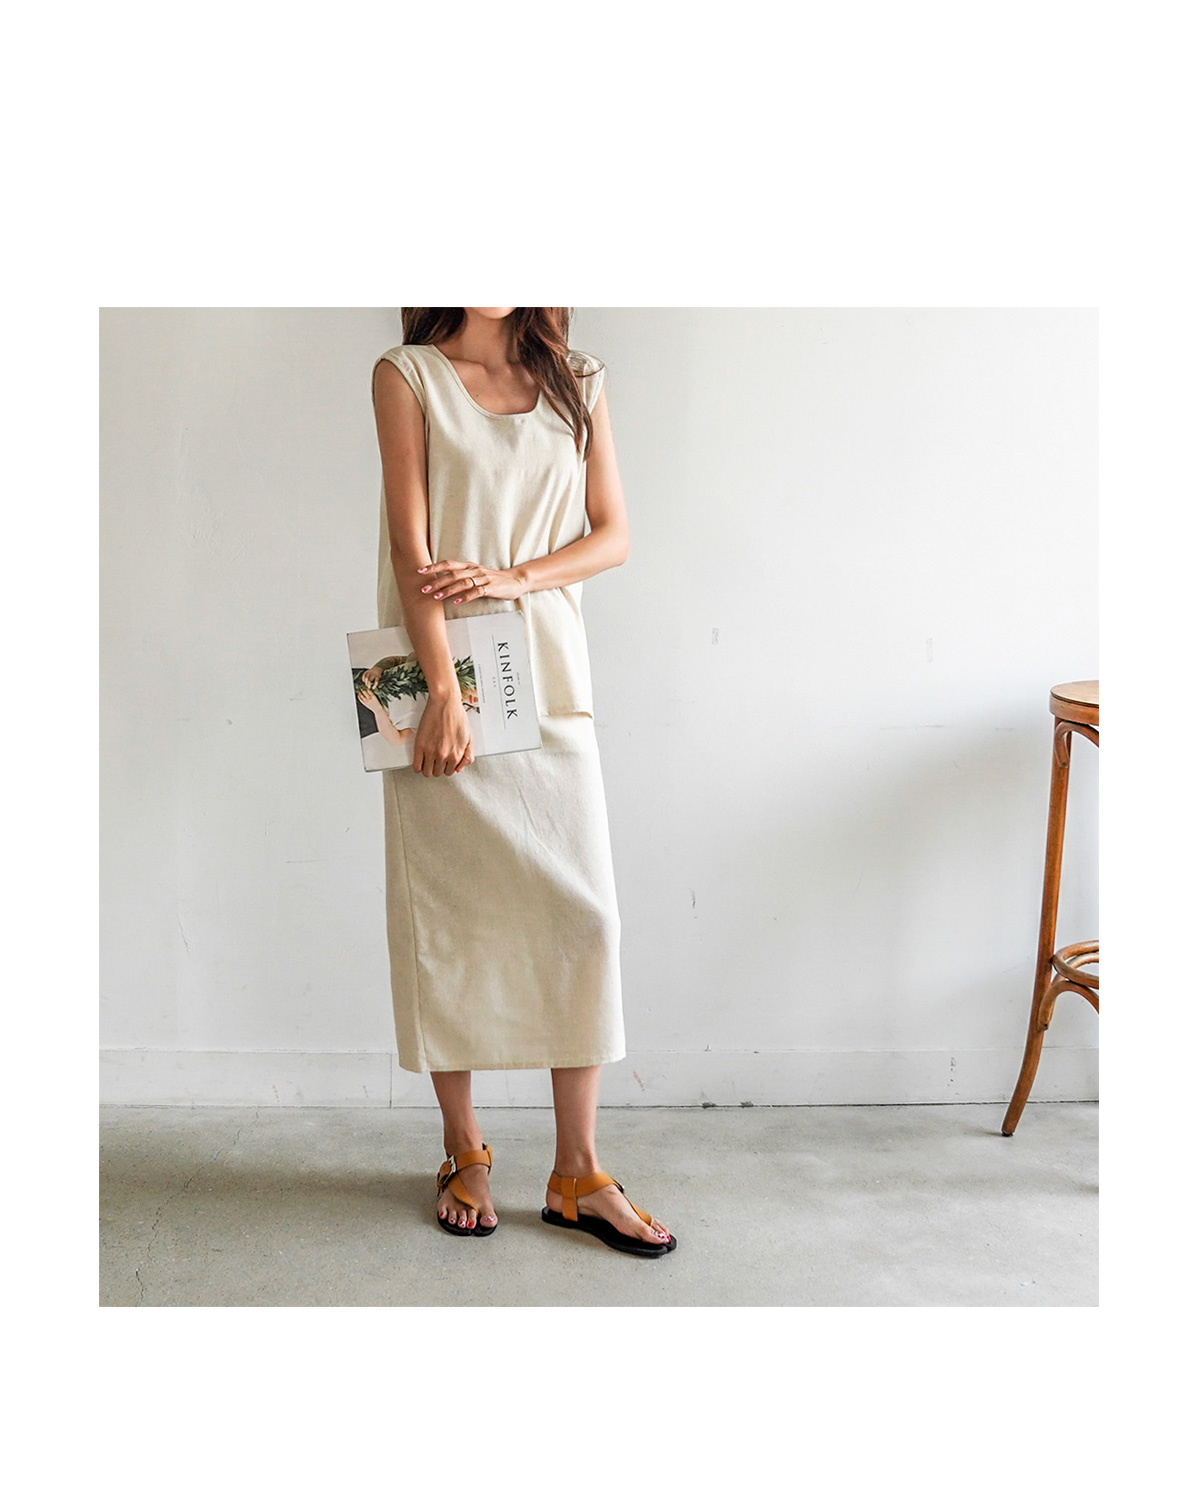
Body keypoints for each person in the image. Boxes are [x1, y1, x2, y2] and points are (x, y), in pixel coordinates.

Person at [371, 307, 675, 1257]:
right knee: (450, 920)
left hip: (546, 676)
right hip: (446, 692)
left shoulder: (577, 380)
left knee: (586, 920)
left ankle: (577, 1171)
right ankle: (463, 1149)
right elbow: (411, 549)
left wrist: (514, 578)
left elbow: (613, 535)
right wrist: (442, 694)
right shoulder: (408, 375)